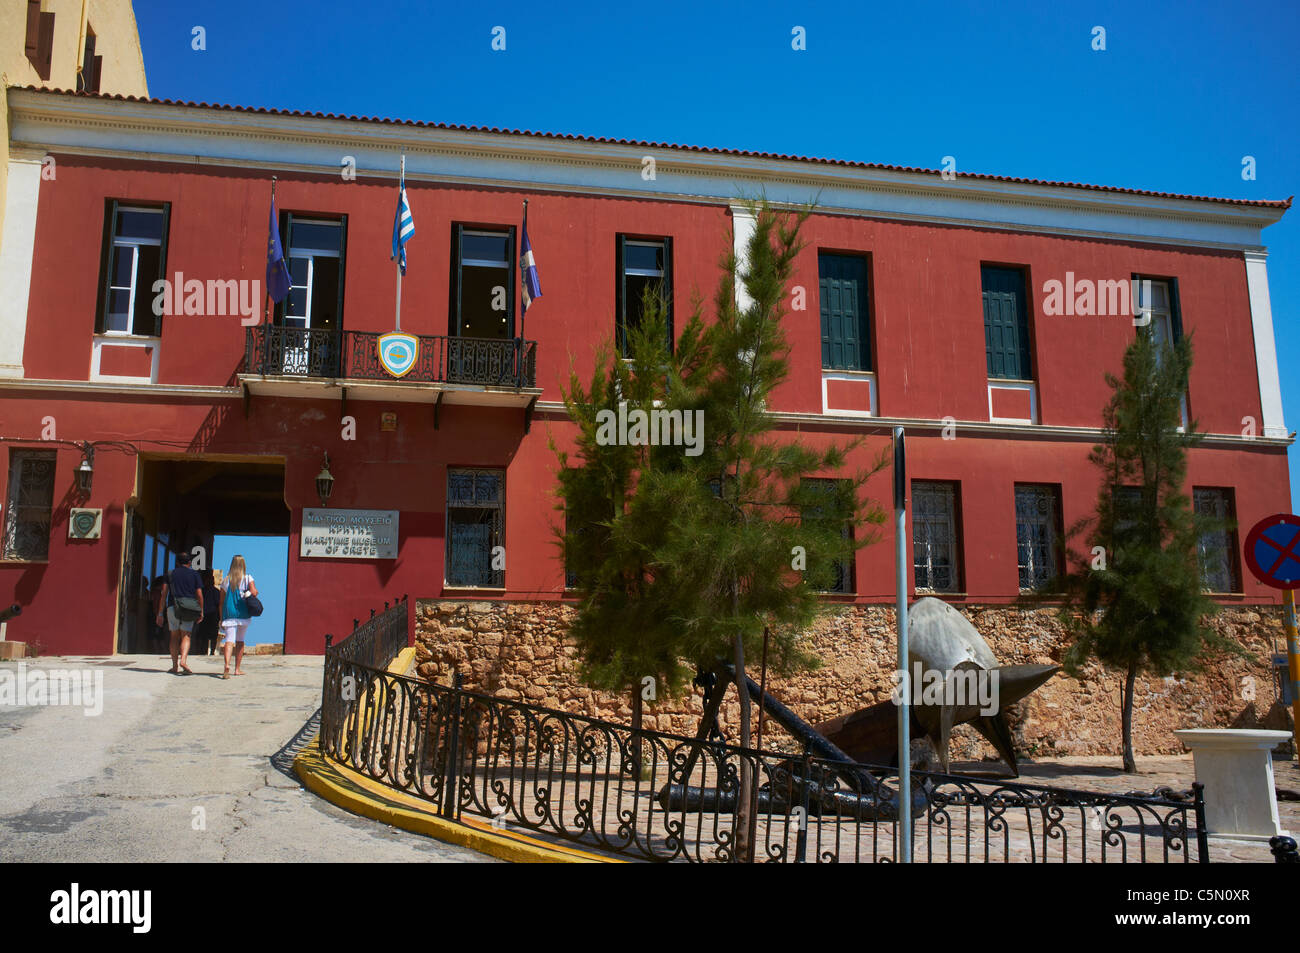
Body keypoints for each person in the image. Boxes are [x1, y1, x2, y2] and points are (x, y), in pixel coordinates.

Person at [156, 552, 203, 675]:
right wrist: (201, 611)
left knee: (174, 636)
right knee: (186, 635)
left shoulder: (170, 574)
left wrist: (160, 613)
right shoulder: (195, 574)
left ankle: (174, 666)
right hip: (189, 609)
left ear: (177, 562)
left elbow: (164, 594)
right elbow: (199, 594)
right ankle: (183, 660)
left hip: (173, 607)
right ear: (189, 562)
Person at [218, 555, 257, 679]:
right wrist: (249, 593)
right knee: (240, 641)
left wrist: (221, 617)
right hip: (243, 613)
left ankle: (226, 665)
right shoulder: (247, 578)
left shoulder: (226, 580)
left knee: (229, 641)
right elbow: (254, 592)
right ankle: (237, 669)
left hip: (229, 613)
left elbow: (221, 602)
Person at [194, 569, 220, 657]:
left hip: (212, 615)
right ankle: (201, 651)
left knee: (212, 635)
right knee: (202, 635)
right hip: (204, 614)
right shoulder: (201, 591)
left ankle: (212, 651)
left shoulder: (215, 591)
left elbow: (218, 604)